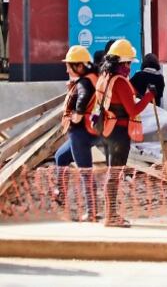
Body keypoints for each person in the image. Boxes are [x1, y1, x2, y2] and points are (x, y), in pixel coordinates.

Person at [93, 39, 156, 227]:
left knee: (112, 172)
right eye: (127, 63)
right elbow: (133, 110)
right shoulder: (120, 82)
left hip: (106, 130)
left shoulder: (105, 77)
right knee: (115, 174)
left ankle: (110, 214)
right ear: (120, 63)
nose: (129, 67)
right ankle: (111, 216)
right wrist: (149, 97)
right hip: (119, 133)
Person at [54, 45, 100, 221]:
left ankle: (92, 211)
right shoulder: (92, 78)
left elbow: (83, 98)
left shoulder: (84, 82)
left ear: (79, 66)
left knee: (85, 172)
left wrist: (76, 116)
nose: (66, 68)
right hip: (88, 131)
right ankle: (61, 195)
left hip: (80, 133)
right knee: (61, 157)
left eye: (69, 65)